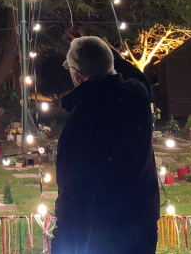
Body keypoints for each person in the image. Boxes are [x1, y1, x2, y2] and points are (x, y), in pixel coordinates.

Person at [52, 32, 159, 254]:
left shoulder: (81, 119)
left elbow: (71, 193)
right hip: (141, 226)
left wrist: (61, 241)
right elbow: (135, 74)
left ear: (79, 76)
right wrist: (104, 53)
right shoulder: (136, 95)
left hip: (101, 234)